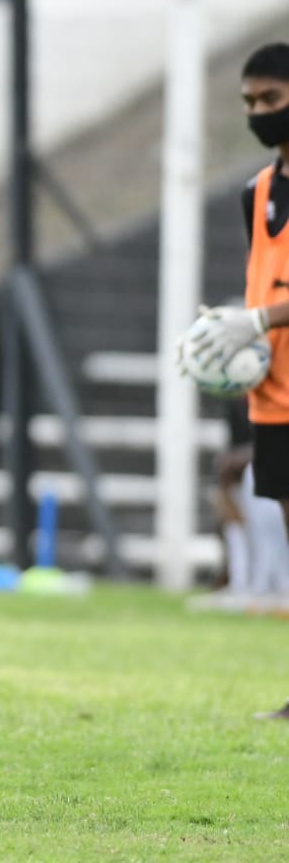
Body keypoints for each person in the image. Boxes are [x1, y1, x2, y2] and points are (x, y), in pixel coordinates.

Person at [188, 42, 289, 720]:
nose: (258, 113)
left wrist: (254, 319)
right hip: (274, 397)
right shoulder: (256, 191)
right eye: (249, 102)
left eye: (271, 100)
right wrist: (231, 340)